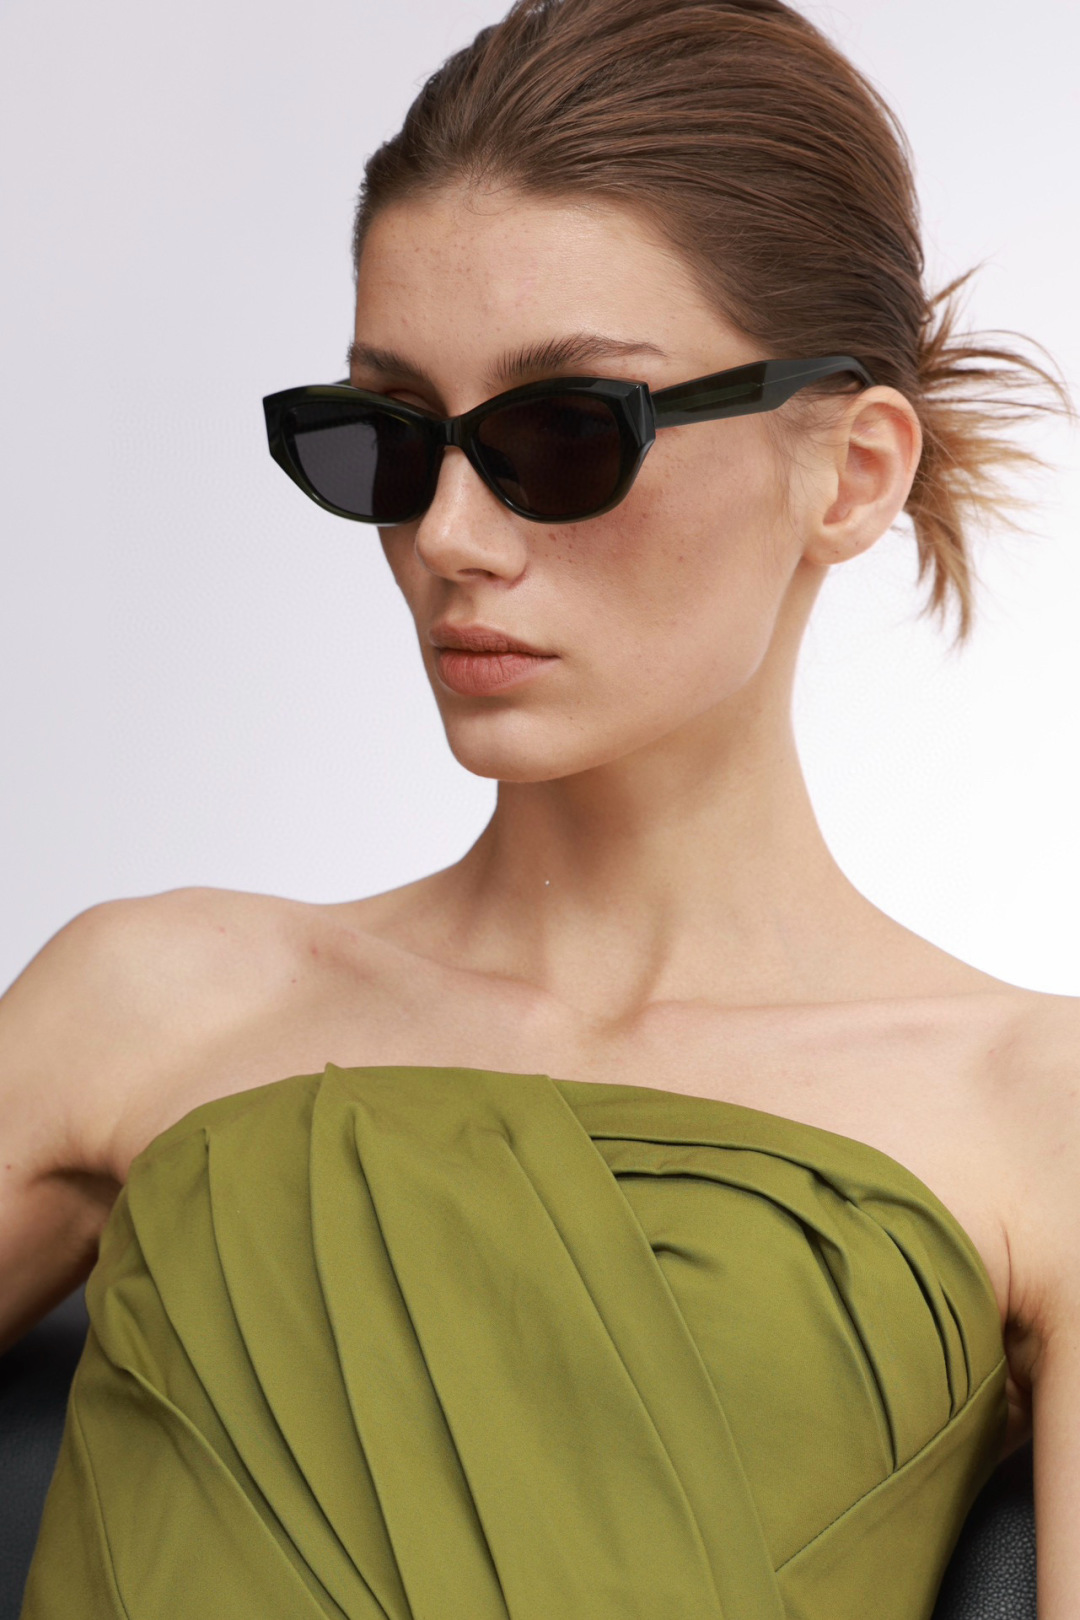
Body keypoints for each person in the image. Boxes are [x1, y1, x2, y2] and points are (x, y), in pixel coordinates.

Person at [2, 0, 1076, 1614]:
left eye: (565, 434)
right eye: (386, 440)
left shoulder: (1038, 1113)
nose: (448, 535)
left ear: (852, 473)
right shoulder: (148, 1002)